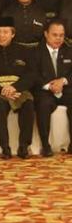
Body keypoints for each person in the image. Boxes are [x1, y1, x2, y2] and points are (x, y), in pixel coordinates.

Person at [0, 16, 37, 159]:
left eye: (5, 32)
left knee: (28, 104)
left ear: (13, 34)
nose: (1, 35)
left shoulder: (24, 51)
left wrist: (15, 87)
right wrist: (2, 90)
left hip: (19, 89)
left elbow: (31, 74)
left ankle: (24, 145)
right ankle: (5, 147)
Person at [33, 20, 72, 157]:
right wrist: (49, 86)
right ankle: (45, 145)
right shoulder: (36, 52)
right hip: (45, 91)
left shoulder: (69, 50)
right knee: (43, 105)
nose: (58, 38)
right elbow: (32, 75)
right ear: (46, 34)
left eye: (61, 35)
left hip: (66, 89)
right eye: (55, 35)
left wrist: (63, 80)